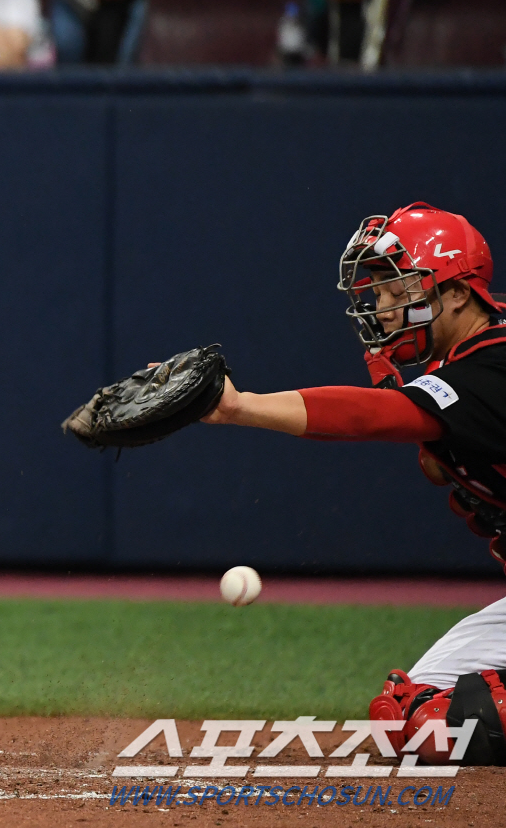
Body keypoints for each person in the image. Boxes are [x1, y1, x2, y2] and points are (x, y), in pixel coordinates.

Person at [201, 202, 506, 766]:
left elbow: (374, 417)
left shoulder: (493, 364)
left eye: (400, 289)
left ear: (459, 294)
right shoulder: (464, 367)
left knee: (477, 717)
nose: (385, 308)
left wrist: (240, 406)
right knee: (417, 720)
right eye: (381, 293)